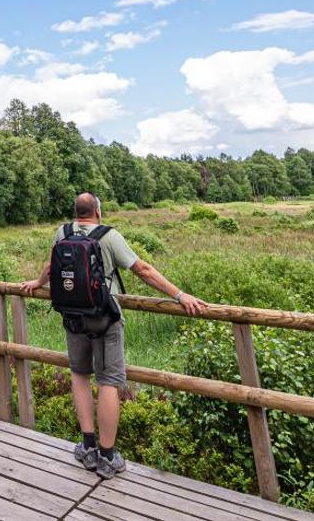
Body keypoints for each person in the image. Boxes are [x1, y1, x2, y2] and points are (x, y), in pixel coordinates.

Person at [20, 192, 208, 479]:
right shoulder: (109, 236)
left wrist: (37, 283)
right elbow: (142, 269)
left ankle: (87, 447)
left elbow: (50, 267)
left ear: (76, 212)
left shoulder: (63, 232)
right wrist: (180, 295)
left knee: (80, 375)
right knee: (108, 381)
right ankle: (107, 457)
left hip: (73, 316)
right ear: (97, 211)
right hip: (105, 319)